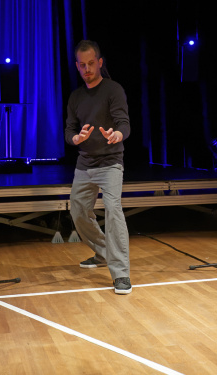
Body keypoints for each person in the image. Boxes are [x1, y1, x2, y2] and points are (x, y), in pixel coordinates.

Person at [64, 40, 132, 295]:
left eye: (91, 63)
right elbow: (69, 131)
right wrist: (75, 139)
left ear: (100, 63)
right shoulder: (76, 96)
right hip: (85, 162)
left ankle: (121, 273)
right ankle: (103, 252)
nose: (87, 69)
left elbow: (124, 123)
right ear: (77, 67)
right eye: (82, 65)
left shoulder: (113, 90)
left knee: (114, 211)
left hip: (111, 162)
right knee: (78, 212)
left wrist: (117, 134)